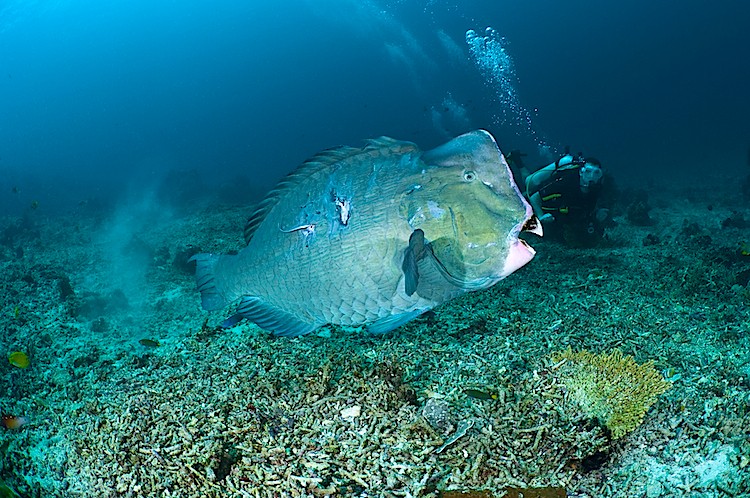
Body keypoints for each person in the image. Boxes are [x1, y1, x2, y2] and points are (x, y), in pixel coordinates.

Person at [523, 151, 609, 245]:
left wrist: (597, 214)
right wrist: (541, 215)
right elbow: (534, 197)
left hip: (563, 214)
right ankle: (518, 162)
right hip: (543, 200)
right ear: (581, 172)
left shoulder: (597, 189)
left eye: (597, 173)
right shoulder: (565, 183)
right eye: (588, 172)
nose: (591, 177)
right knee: (527, 185)